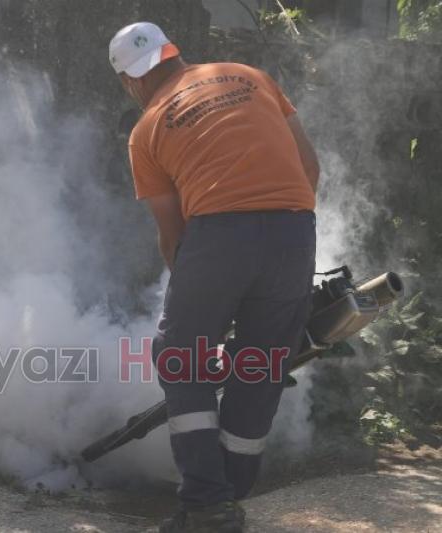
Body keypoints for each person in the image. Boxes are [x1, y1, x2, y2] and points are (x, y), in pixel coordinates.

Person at [108, 22, 320, 533]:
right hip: (295, 229)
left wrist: (201, 306)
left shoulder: (148, 128)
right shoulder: (250, 76)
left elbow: (174, 234)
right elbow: (308, 168)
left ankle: (206, 504)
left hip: (219, 234)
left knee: (180, 356)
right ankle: (225, 496)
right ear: (172, 51)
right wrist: (280, 227)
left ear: (130, 81)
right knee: (261, 364)